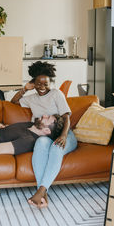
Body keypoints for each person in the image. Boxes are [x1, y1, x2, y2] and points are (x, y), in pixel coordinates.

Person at [10, 61, 77, 209]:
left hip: (65, 134)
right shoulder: (31, 98)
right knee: (40, 143)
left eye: (45, 84)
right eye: (38, 84)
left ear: (50, 82)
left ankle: (40, 191)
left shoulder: (56, 94)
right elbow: (13, 101)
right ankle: (43, 193)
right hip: (46, 135)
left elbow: (66, 117)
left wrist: (64, 136)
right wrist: (25, 89)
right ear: (34, 82)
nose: (42, 87)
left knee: (56, 147)